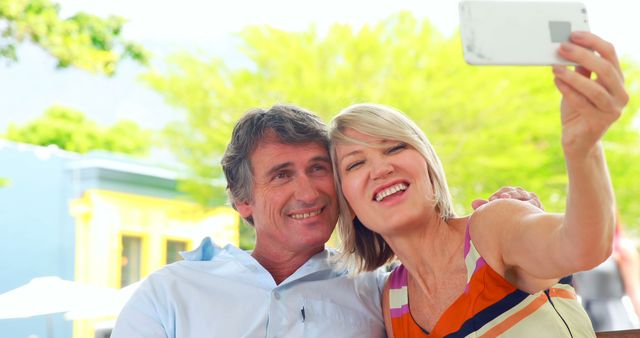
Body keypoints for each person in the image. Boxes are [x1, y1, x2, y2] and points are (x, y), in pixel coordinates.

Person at [111, 105, 541, 337]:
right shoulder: (170, 293)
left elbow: (481, 285)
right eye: (282, 175)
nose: (309, 191)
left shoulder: (383, 290)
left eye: (319, 169)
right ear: (242, 202)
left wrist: (515, 223)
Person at [328, 31, 628, 337]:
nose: (381, 168)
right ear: (347, 205)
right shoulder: (392, 300)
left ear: (428, 166)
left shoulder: (492, 229)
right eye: (355, 164)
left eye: (394, 148)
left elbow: (583, 247)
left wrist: (584, 149)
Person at [575, 216, 640, 331]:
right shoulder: (578, 251)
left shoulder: (622, 248)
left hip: (614, 316)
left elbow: (635, 292)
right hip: (584, 313)